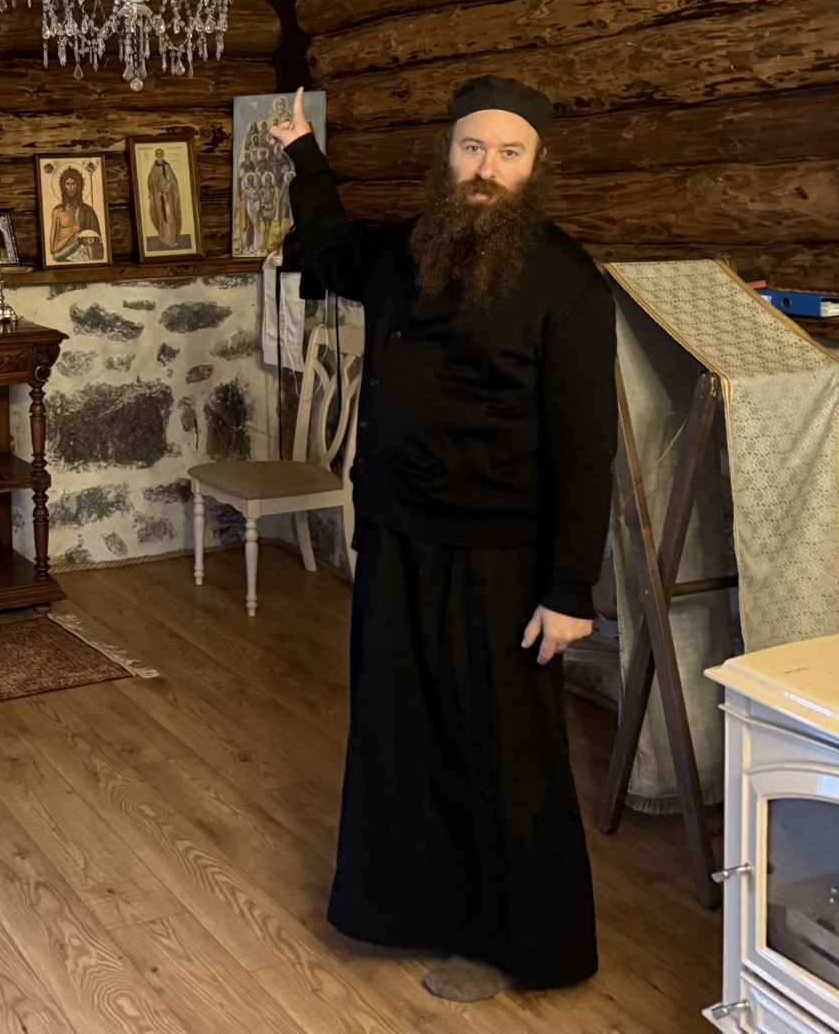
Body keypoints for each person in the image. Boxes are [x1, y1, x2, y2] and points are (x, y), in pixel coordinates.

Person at [269, 75, 615, 1003]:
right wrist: (303, 155)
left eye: (508, 153)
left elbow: (587, 451)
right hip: (396, 534)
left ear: (536, 166)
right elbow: (331, 250)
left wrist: (571, 591)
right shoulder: (410, 248)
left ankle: (519, 943)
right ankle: (413, 911)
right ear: (448, 155)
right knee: (403, 733)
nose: (486, 169)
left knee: (506, 752)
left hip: (502, 557)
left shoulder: (568, 283)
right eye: (472, 148)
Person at [46, 166, 104, 262]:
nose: (70, 188)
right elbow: (53, 250)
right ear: (63, 187)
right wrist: (73, 232)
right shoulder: (57, 212)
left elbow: (96, 241)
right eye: (67, 184)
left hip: (79, 255)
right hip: (61, 256)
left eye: (73, 184)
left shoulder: (87, 211)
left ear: (78, 186)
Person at [146, 147, 185, 251]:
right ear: (155, 155)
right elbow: (150, 181)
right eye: (157, 154)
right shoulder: (154, 167)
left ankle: (172, 240)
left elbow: (172, 180)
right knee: (161, 216)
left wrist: (166, 189)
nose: (159, 156)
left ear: (162, 155)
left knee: (169, 216)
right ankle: (163, 239)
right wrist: (155, 185)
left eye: (160, 154)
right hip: (158, 195)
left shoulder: (167, 166)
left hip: (167, 196)